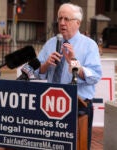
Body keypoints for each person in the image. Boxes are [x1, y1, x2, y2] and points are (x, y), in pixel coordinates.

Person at [36, 3, 102, 150]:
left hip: (78, 107)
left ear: (77, 23)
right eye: (59, 19)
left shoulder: (89, 45)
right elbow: (36, 72)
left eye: (66, 19)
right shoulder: (50, 43)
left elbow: (95, 76)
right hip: (52, 105)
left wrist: (73, 61)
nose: (62, 23)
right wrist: (46, 65)